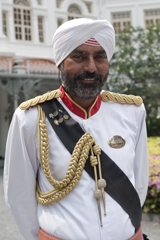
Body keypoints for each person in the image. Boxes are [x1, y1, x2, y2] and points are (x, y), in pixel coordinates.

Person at [3, 18, 148, 240]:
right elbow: (18, 195)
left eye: (100, 57)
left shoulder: (132, 112)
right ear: (60, 63)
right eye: (78, 57)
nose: (91, 67)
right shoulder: (30, 118)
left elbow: (138, 183)